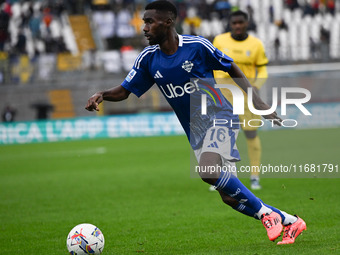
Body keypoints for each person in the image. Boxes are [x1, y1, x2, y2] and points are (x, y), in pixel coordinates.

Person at [86, 0, 306, 245]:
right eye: (144, 22)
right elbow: (125, 90)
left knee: (207, 171)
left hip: (220, 116)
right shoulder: (147, 59)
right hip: (196, 130)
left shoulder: (197, 46)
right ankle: (290, 220)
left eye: (149, 21)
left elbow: (231, 67)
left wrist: (256, 101)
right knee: (229, 197)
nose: (144, 27)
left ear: (168, 22)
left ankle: (267, 215)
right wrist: (103, 94)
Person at [213, 10, 268, 190]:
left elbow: (263, 69)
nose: (237, 26)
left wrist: (257, 86)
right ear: (230, 24)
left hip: (246, 97)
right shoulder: (220, 41)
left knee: (251, 134)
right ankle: (222, 177)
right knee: (222, 136)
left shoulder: (256, 44)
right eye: (234, 23)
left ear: (246, 23)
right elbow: (211, 65)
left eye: (240, 23)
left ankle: (254, 176)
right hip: (224, 96)